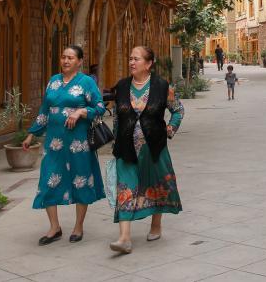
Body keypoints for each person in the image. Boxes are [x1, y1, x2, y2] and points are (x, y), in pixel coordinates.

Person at [22, 45, 106, 245]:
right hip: (54, 142)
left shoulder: (86, 82)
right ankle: (54, 228)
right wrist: (31, 135)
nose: (66, 61)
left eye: (70, 58)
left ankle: (78, 227)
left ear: (79, 61)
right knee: (48, 180)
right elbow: (44, 110)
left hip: (79, 143)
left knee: (81, 181)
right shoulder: (53, 81)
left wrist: (81, 112)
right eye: (63, 57)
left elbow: (100, 107)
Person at [108, 46, 184, 254]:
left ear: (149, 63)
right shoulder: (122, 86)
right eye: (130, 59)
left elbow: (178, 110)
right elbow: (117, 118)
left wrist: (170, 128)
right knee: (125, 187)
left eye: (136, 59)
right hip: (126, 148)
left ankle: (156, 225)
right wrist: (115, 142)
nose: (132, 62)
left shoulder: (162, 86)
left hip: (154, 147)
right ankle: (124, 238)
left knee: (156, 185)